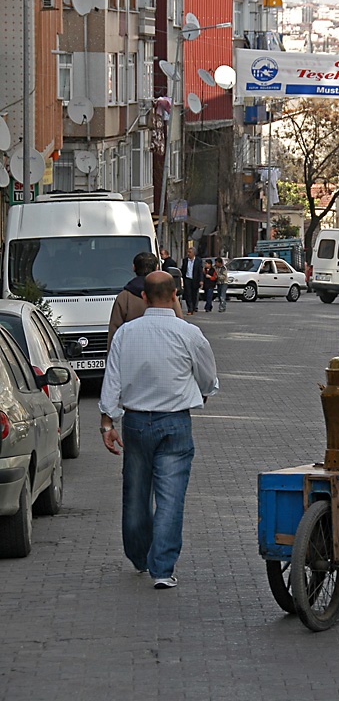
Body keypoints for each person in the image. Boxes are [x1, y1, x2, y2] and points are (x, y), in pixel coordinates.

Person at [99, 271, 219, 589]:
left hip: (136, 422)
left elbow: (112, 379)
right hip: (176, 422)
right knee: (171, 497)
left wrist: (107, 423)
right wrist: (202, 391)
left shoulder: (125, 334)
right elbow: (208, 378)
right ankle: (162, 569)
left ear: (143, 297)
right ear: (175, 294)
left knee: (136, 494)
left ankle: (140, 557)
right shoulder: (189, 333)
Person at [107, 252, 183, 350]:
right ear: (157, 268)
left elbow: (114, 332)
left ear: (134, 268)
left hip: (133, 351)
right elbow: (180, 324)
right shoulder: (167, 296)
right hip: (166, 349)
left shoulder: (124, 297)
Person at [181, 247, 203, 315]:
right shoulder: (185, 260)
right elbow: (183, 270)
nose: (188, 254)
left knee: (194, 295)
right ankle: (189, 309)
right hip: (187, 279)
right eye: (188, 252)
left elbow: (200, 271)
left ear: (194, 253)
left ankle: (193, 307)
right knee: (188, 294)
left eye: (190, 252)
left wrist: (201, 280)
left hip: (195, 280)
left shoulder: (198, 260)